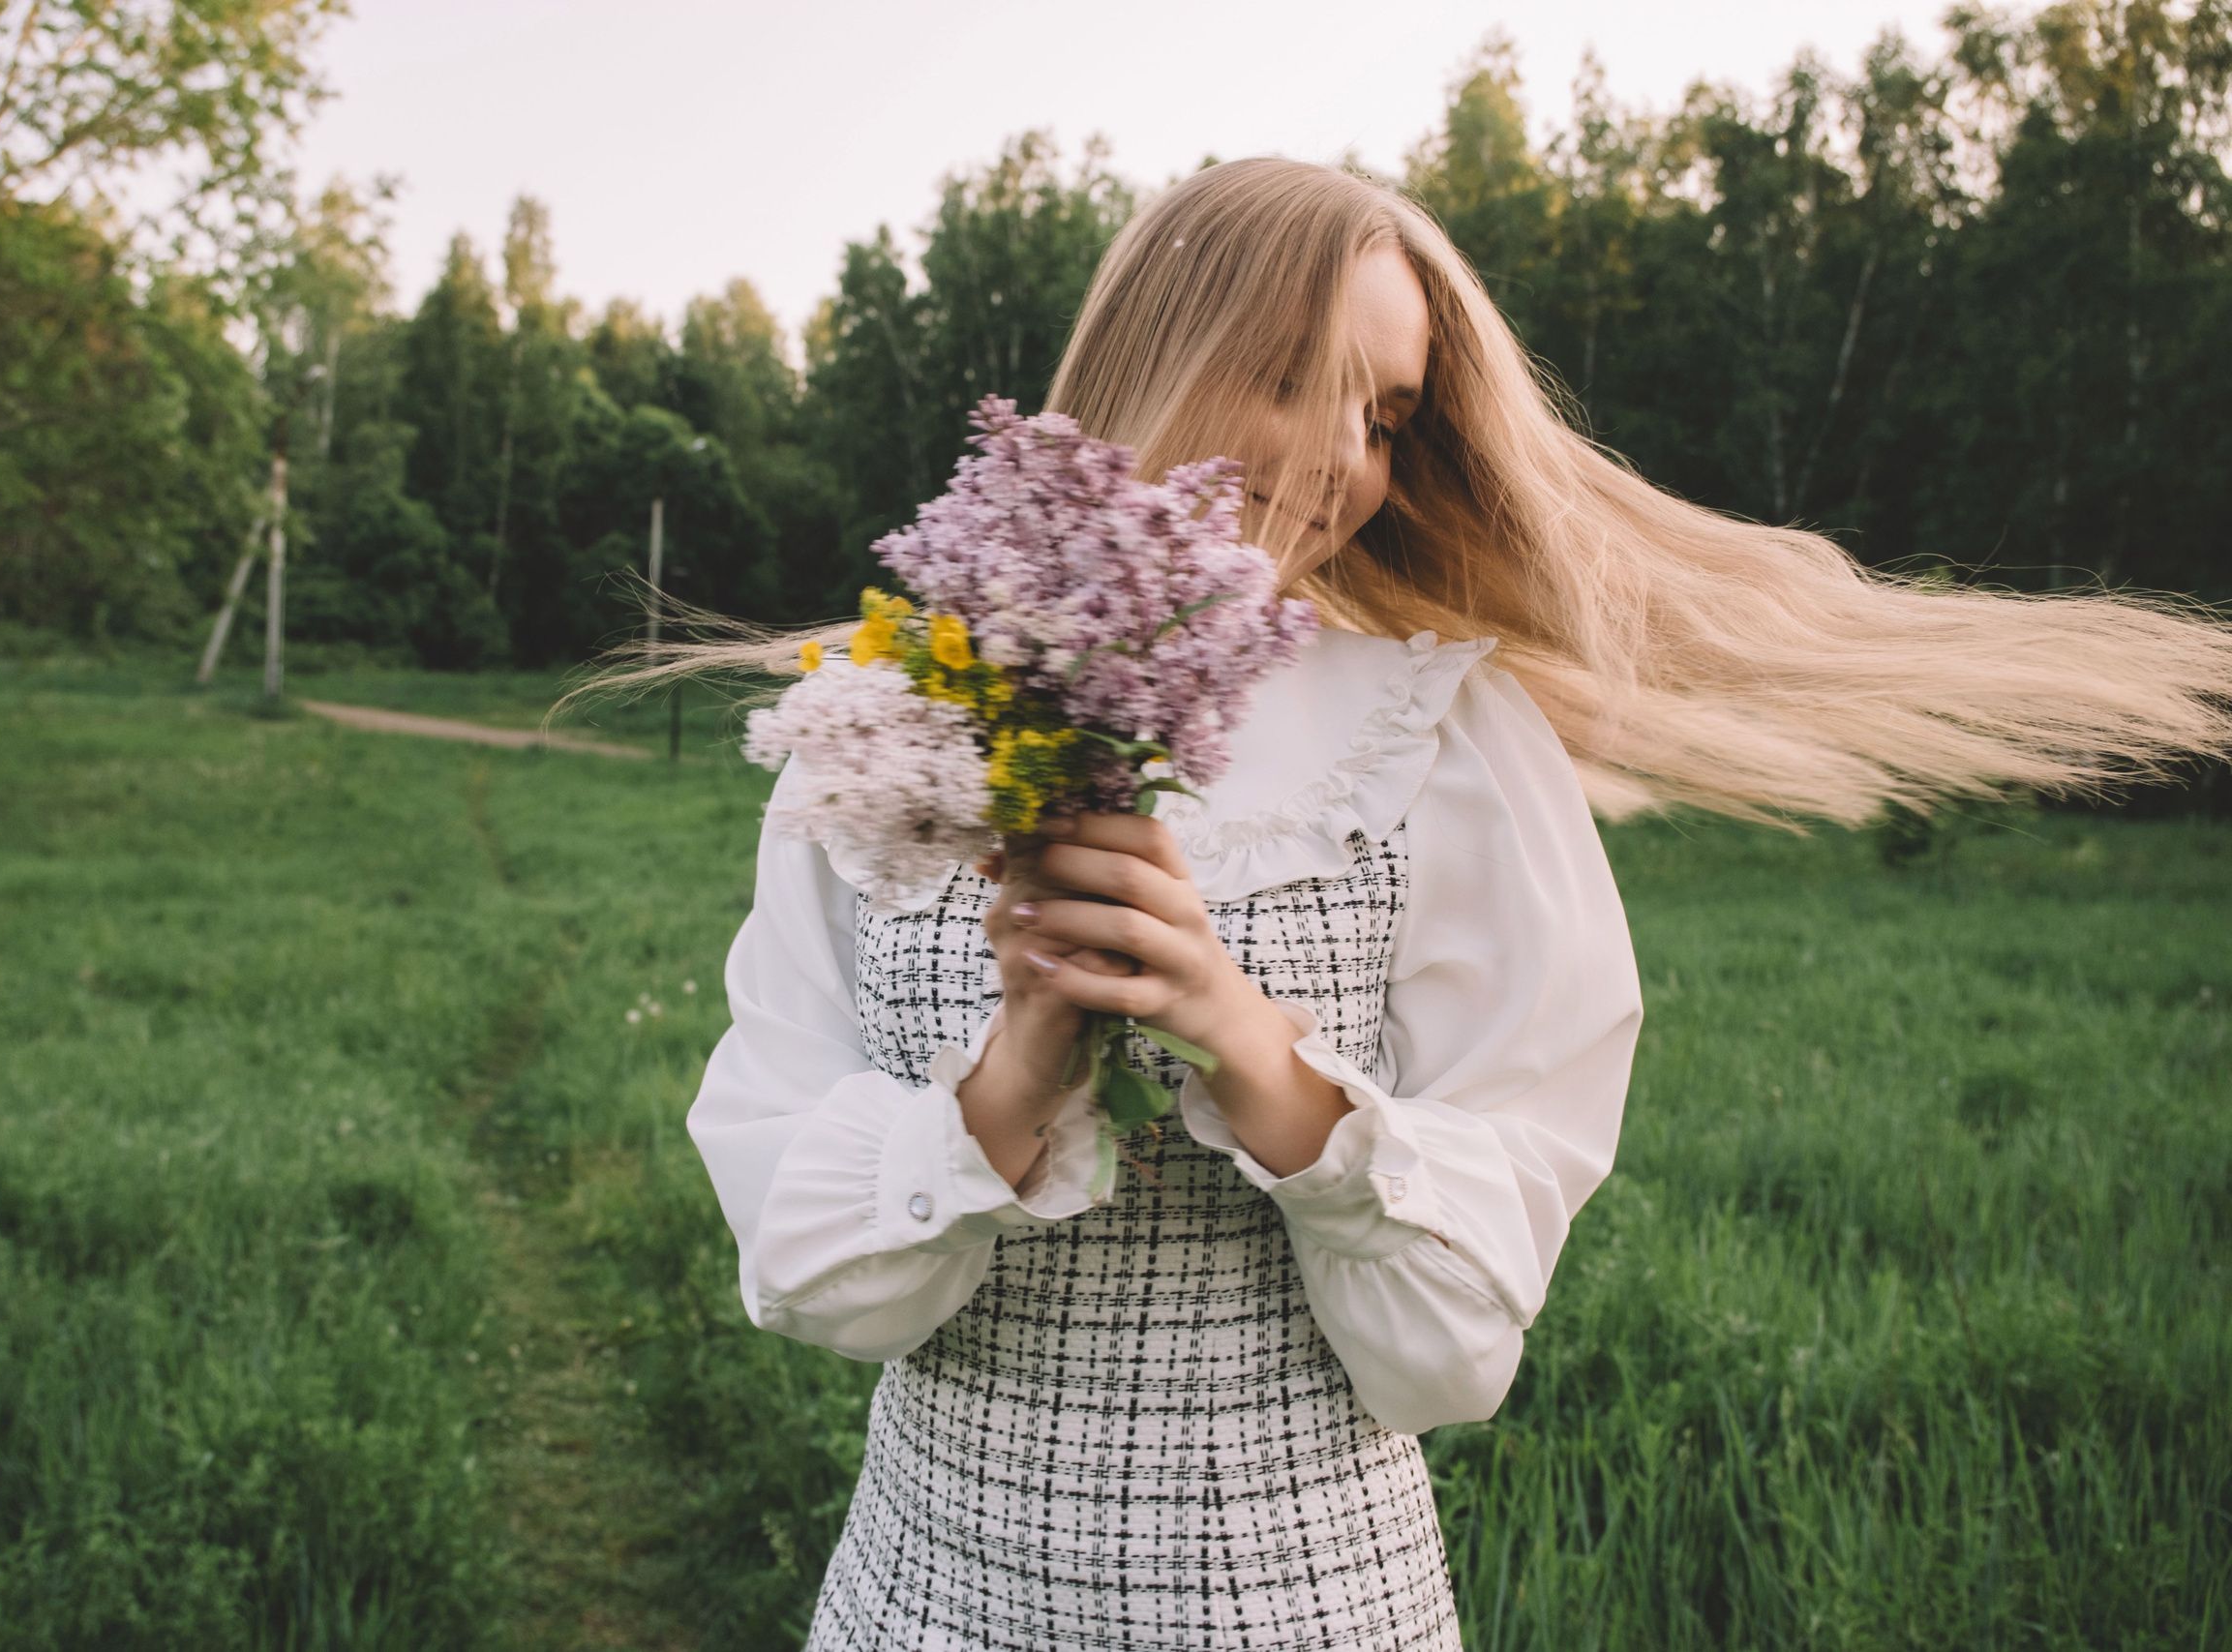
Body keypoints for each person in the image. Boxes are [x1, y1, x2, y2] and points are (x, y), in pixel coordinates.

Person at [682, 159, 2232, 1648]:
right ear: (1161, 349)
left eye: (1388, 413)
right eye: (1293, 377)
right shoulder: (891, 720)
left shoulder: (1440, 742)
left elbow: (1451, 1347)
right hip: (934, 1597)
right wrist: (1015, 1074)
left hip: (1299, 1606)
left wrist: (1249, 1048)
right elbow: (805, 1267)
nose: (1339, 457)